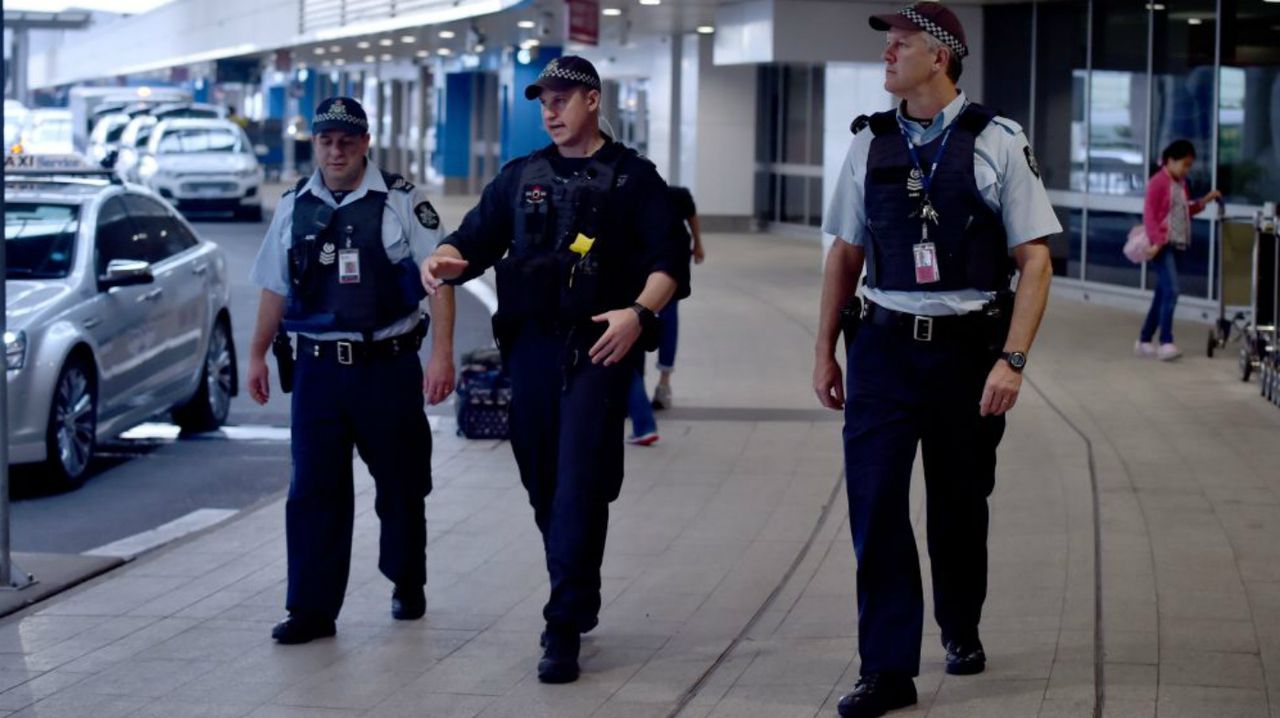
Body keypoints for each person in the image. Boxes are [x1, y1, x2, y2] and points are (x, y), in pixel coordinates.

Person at [812, 4, 1058, 717]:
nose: (888, 55)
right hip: (883, 351)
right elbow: (845, 255)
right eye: (888, 44)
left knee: (958, 502)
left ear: (941, 57)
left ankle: (960, 621)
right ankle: (887, 670)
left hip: (967, 354)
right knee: (878, 506)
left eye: (901, 44)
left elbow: (1034, 260)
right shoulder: (869, 144)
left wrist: (1012, 359)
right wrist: (824, 349)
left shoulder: (998, 141)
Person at [419, 56, 683, 684]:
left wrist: (639, 315)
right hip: (531, 349)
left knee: (576, 481)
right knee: (542, 479)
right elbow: (473, 239)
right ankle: (578, 583)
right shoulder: (520, 177)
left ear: (592, 101)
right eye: (544, 101)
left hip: (598, 347)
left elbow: (669, 260)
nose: (550, 110)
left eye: (563, 99)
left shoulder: (633, 179)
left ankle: (561, 622)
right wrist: (447, 259)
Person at [246, 96, 457, 645]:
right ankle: (311, 610)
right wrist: (255, 354)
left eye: (346, 140)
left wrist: (441, 355)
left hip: (385, 370)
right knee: (314, 491)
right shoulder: (295, 205)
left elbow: (441, 281)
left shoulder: (403, 203)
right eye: (325, 140)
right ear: (314, 143)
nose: (335, 150)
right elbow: (275, 284)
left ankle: (407, 579)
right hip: (317, 371)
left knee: (402, 487)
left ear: (366, 143)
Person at [624, 185, 701, 443]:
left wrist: (698, 245)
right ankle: (652, 390)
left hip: (660, 273)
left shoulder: (670, 197)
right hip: (656, 272)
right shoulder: (643, 199)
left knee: (654, 325)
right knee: (647, 326)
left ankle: (658, 388)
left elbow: (692, 219)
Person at [1135, 139, 1221, 361]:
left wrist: (1205, 201)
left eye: (1189, 165)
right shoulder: (1158, 182)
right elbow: (1150, 215)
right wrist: (1155, 242)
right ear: (1171, 160)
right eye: (1185, 164)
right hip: (1162, 246)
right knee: (1172, 290)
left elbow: (1184, 211)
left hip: (1178, 243)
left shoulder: (1180, 184)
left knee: (1163, 293)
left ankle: (1144, 339)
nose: (1187, 169)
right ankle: (1166, 341)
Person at [650, 185, 704, 410]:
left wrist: (697, 244)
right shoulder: (635, 194)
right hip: (646, 259)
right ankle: (636, 387)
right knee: (640, 321)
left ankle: (664, 382)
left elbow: (692, 218)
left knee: (667, 319)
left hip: (671, 261)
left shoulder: (676, 195)